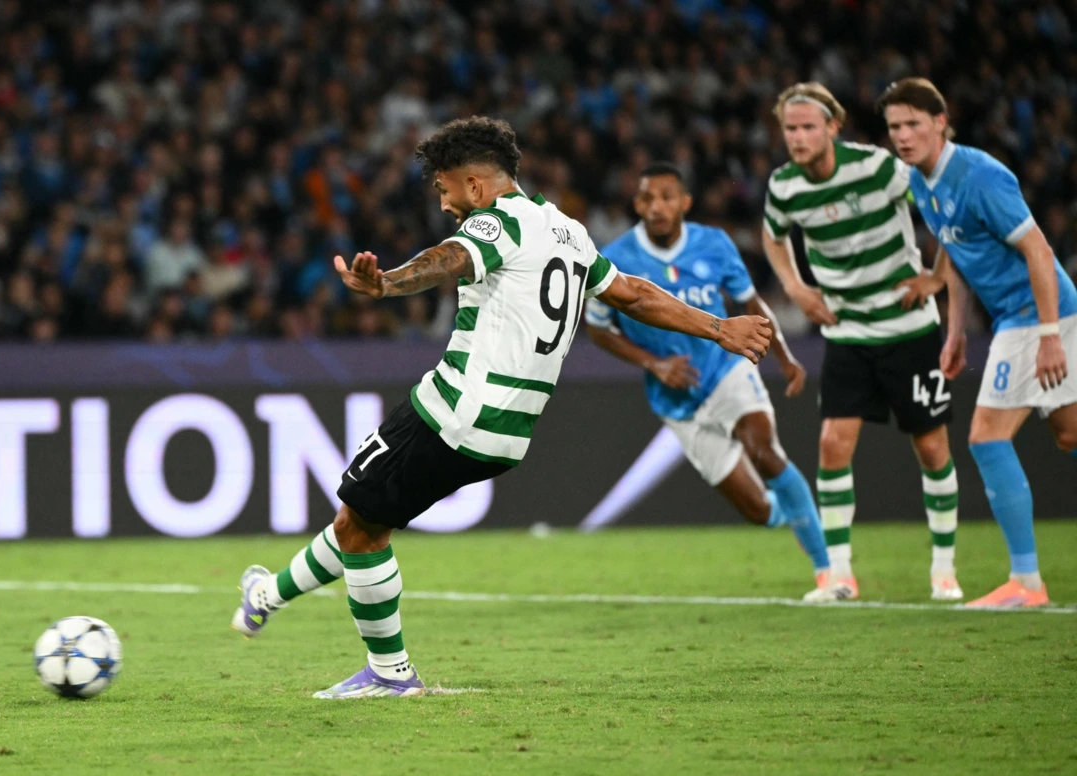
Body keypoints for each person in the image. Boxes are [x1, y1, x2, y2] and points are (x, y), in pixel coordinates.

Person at [229, 117, 773, 698]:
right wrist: (718, 326)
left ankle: (389, 675)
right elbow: (634, 294)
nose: (443, 204)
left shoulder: (495, 223)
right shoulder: (567, 230)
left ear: (475, 186)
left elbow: (448, 258)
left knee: (361, 529)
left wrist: (388, 283)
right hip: (508, 433)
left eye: (444, 190)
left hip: (454, 410)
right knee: (363, 518)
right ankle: (267, 595)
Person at [585, 163, 832, 600]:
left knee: (763, 448)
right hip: (675, 398)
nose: (656, 207)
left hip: (726, 369)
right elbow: (599, 328)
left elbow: (748, 300)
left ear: (685, 203)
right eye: (647, 198)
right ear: (637, 204)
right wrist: (655, 364)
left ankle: (829, 572)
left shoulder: (714, 244)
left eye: (666, 197)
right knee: (757, 511)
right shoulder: (615, 258)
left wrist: (785, 356)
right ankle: (794, 514)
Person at [880, 77, 1077, 608]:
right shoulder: (922, 179)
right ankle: (1026, 583)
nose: (902, 135)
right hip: (1019, 319)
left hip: (1036, 315)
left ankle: (1027, 583)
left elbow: (1038, 251)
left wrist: (1048, 335)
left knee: (986, 438)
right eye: (894, 126)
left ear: (940, 122)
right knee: (1068, 435)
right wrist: (956, 333)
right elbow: (956, 252)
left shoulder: (980, 175)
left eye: (913, 124)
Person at [761, 82, 961, 602]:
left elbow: (944, 206)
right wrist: (795, 287)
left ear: (832, 127)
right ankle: (840, 575)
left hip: (909, 328)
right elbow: (772, 235)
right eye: (790, 128)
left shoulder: (878, 168)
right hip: (847, 331)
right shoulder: (784, 186)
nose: (798, 137)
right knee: (831, 445)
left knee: (932, 446)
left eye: (808, 126)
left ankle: (944, 569)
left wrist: (935, 279)